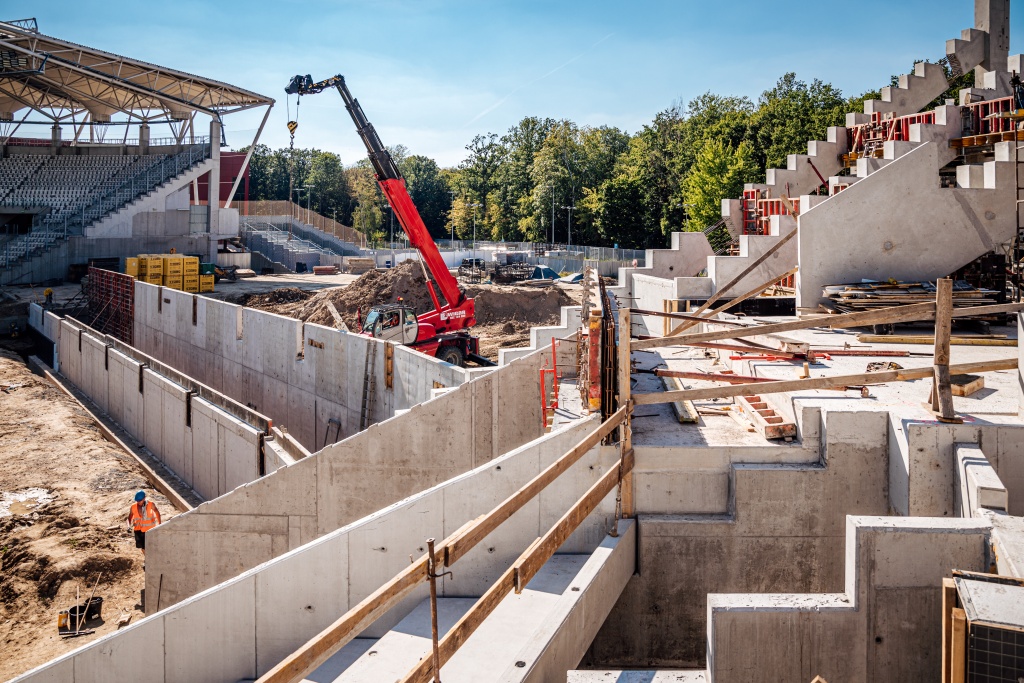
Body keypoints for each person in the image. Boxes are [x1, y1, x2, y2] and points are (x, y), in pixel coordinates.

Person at [127, 490, 161, 557]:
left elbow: (157, 513)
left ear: (144, 498)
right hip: (138, 530)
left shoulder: (151, 504)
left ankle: (150, 559)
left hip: (149, 530)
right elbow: (129, 518)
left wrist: (160, 524)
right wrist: (128, 526)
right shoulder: (133, 507)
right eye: (137, 501)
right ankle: (147, 559)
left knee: (150, 546)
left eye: (140, 500)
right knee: (142, 547)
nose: (138, 502)